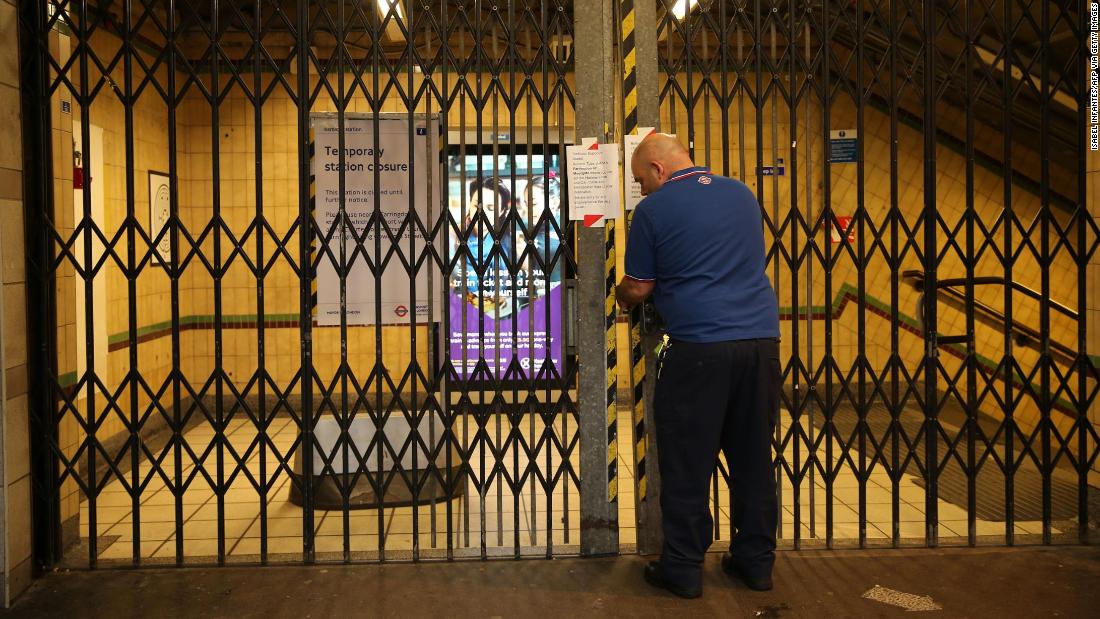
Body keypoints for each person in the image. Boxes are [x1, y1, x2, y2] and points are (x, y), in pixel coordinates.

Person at [615, 133, 780, 599]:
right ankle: (756, 563)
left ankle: (684, 569)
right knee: (752, 457)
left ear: (658, 170)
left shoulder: (653, 211)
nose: (642, 190)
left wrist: (621, 296)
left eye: (641, 180)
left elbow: (641, 286)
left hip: (699, 347)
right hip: (760, 343)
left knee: (688, 462)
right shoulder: (741, 194)